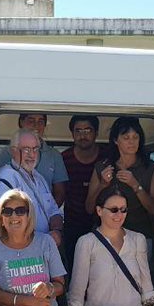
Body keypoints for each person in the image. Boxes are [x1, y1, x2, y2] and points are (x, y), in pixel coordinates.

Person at [84, 117, 154, 248]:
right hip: (105, 238)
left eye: (135, 137)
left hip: (139, 237)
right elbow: (89, 208)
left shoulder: (150, 167)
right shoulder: (102, 166)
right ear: (115, 140)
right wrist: (102, 185)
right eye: (126, 138)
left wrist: (135, 185)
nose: (131, 142)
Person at [0, 129, 65, 245]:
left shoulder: (39, 178)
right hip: (24, 248)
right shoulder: (7, 177)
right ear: (13, 151)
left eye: (35, 149)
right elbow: (9, 222)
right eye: (26, 149)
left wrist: (56, 231)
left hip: (46, 245)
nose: (32, 155)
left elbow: (54, 211)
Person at [0, 113, 69, 206]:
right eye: (31, 121)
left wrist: (49, 213)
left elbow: (60, 192)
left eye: (40, 121)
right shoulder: (6, 161)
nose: (36, 125)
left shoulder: (40, 176)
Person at [61, 115, 103, 270]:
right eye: (78, 131)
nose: (82, 135)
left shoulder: (107, 156)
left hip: (103, 223)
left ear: (96, 133)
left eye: (87, 130)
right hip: (73, 224)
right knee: (75, 269)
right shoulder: (64, 159)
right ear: (72, 134)